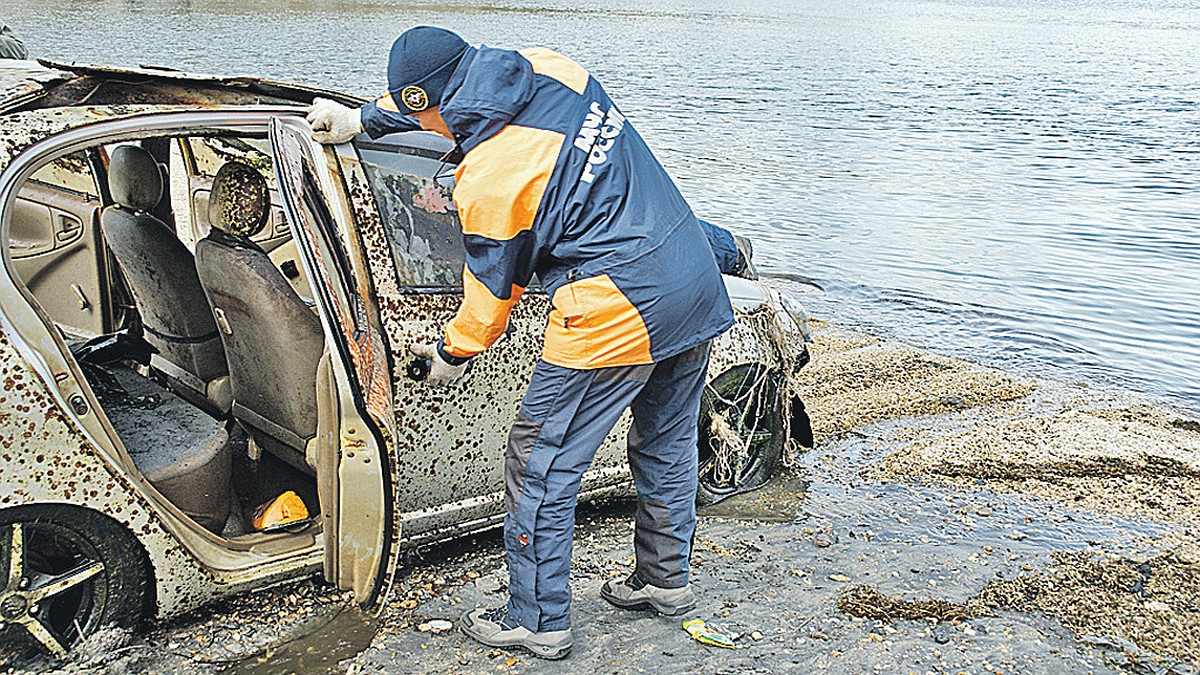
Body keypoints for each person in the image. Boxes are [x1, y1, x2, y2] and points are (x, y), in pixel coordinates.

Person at [308, 26, 736, 660]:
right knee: (667, 443)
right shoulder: (549, 66)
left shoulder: (491, 177)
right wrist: (363, 121)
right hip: (691, 275)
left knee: (539, 462)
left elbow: (490, 296)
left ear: (426, 102)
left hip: (615, 305)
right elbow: (443, 98)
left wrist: (452, 354)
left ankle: (537, 620)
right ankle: (665, 581)